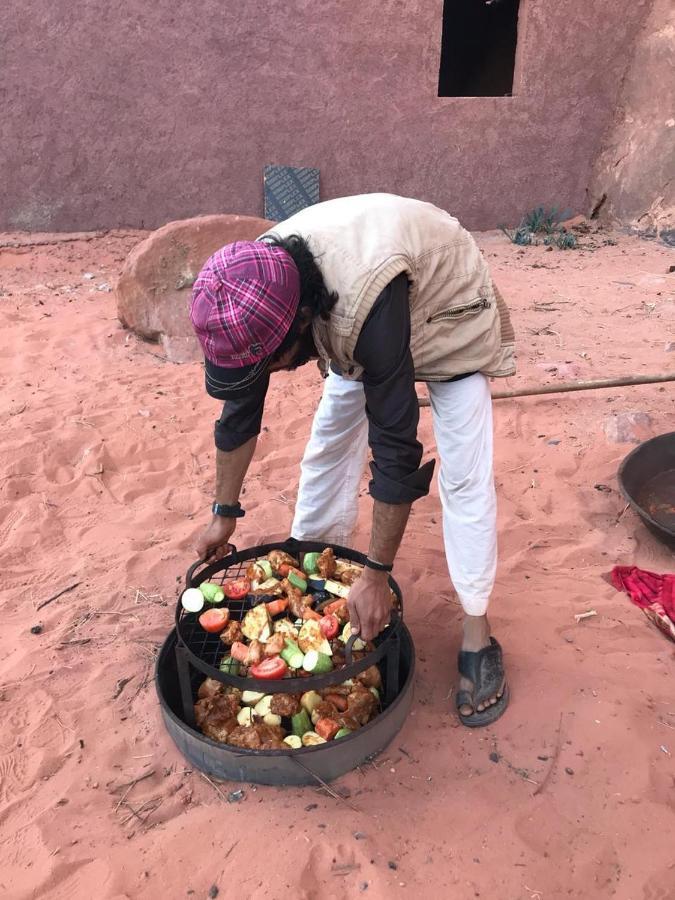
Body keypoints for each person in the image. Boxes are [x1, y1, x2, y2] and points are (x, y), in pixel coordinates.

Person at [189, 193, 515, 726]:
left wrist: (378, 572)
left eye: (274, 364)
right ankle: (315, 577)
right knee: (328, 444)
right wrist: (223, 511)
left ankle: (478, 634)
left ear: (299, 326)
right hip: (354, 301)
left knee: (464, 471)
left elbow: (397, 448)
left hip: (445, 297)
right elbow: (239, 412)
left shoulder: (368, 308)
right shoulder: (253, 291)